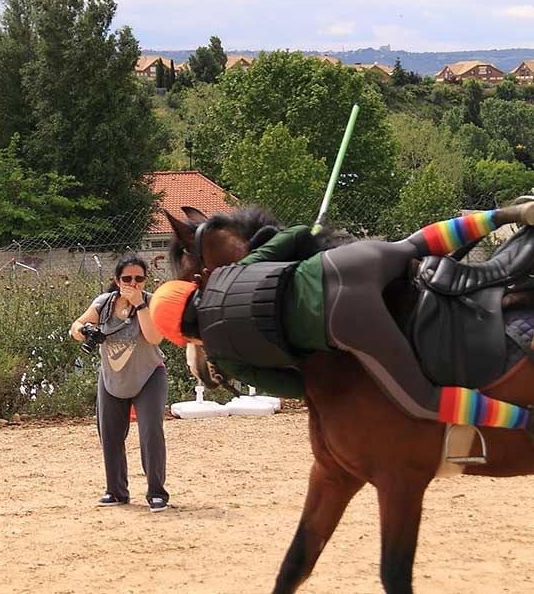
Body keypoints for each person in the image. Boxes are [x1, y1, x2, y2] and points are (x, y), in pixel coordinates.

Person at [150, 203, 534, 436]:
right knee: (414, 245)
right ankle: (506, 215)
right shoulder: (237, 271)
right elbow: (300, 233)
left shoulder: (224, 355)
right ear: (194, 287)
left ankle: (525, 423)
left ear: (183, 336)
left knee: (423, 401)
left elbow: (304, 386)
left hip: (350, 318)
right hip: (348, 262)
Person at [70, 254, 170, 512]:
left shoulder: (151, 302)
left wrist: (140, 306)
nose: (133, 283)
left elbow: (154, 337)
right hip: (113, 376)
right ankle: (115, 491)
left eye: (139, 279)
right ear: (117, 280)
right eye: (127, 278)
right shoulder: (103, 304)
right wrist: (83, 330)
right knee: (110, 434)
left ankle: (156, 492)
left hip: (149, 375)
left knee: (150, 433)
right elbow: (76, 326)